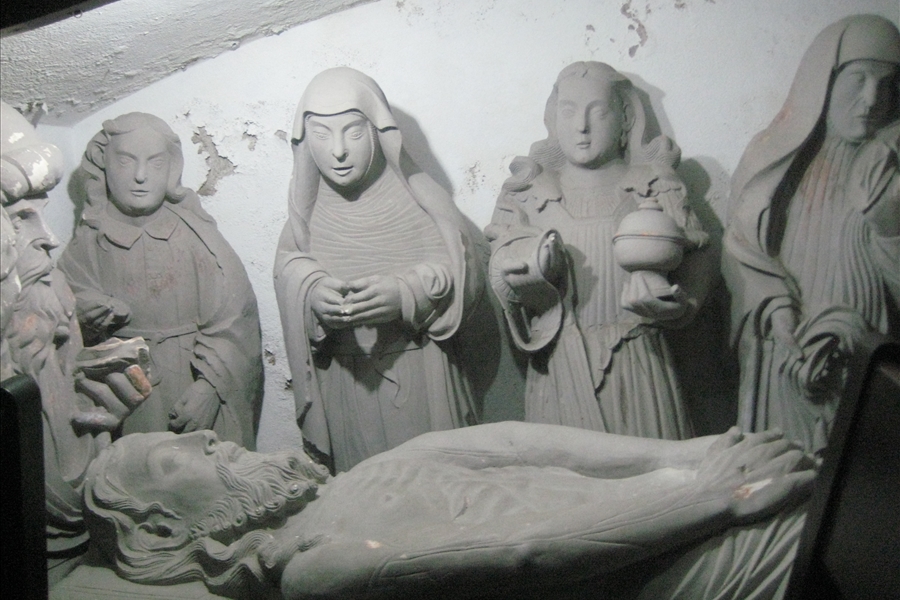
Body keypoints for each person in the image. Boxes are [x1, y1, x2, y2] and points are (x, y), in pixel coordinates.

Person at [83, 423, 813, 599]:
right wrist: (714, 497)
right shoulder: (314, 567)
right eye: (173, 458)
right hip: (681, 559)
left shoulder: (364, 473)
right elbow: (522, 553)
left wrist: (692, 451)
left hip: (688, 505)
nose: (203, 437)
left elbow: (522, 442)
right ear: (164, 527)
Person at [486, 62, 712, 439]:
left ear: (626, 119)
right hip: (558, 364)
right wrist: (526, 272)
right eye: (568, 111)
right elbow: (499, 274)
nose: (582, 126)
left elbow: (700, 253)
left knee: (654, 470)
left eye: (598, 112)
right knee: (564, 473)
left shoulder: (655, 185)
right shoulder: (526, 194)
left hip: (639, 363)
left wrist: (680, 305)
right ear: (553, 119)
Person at [274, 68, 484, 472]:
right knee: (362, 493)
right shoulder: (305, 216)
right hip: (346, 383)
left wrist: (405, 294)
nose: (338, 151)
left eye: (353, 132)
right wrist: (312, 291)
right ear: (305, 141)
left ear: (376, 131)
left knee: (433, 488)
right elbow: (288, 269)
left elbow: (465, 273)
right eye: (321, 135)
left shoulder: (422, 199)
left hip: (421, 372)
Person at [722, 15, 900, 454]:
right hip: (788, 344)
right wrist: (774, 306)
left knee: (855, 472)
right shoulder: (775, 158)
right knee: (784, 465)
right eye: (857, 79)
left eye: (887, 84)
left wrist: (887, 223)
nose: (871, 99)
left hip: (868, 350)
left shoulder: (891, 171)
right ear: (824, 81)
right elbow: (741, 247)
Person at [58, 113, 264, 449]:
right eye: (126, 161)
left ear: (171, 168)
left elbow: (236, 319)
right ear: (104, 164)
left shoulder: (197, 236)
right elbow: (59, 319)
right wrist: (83, 317)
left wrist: (210, 388)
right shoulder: (88, 244)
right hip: (125, 392)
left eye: (155, 163)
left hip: (191, 381)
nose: (140, 176)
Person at [1, 100, 151, 563]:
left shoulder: (47, 285)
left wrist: (98, 388)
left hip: (77, 525)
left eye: (41, 211)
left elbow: (66, 397)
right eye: (19, 218)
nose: (49, 237)